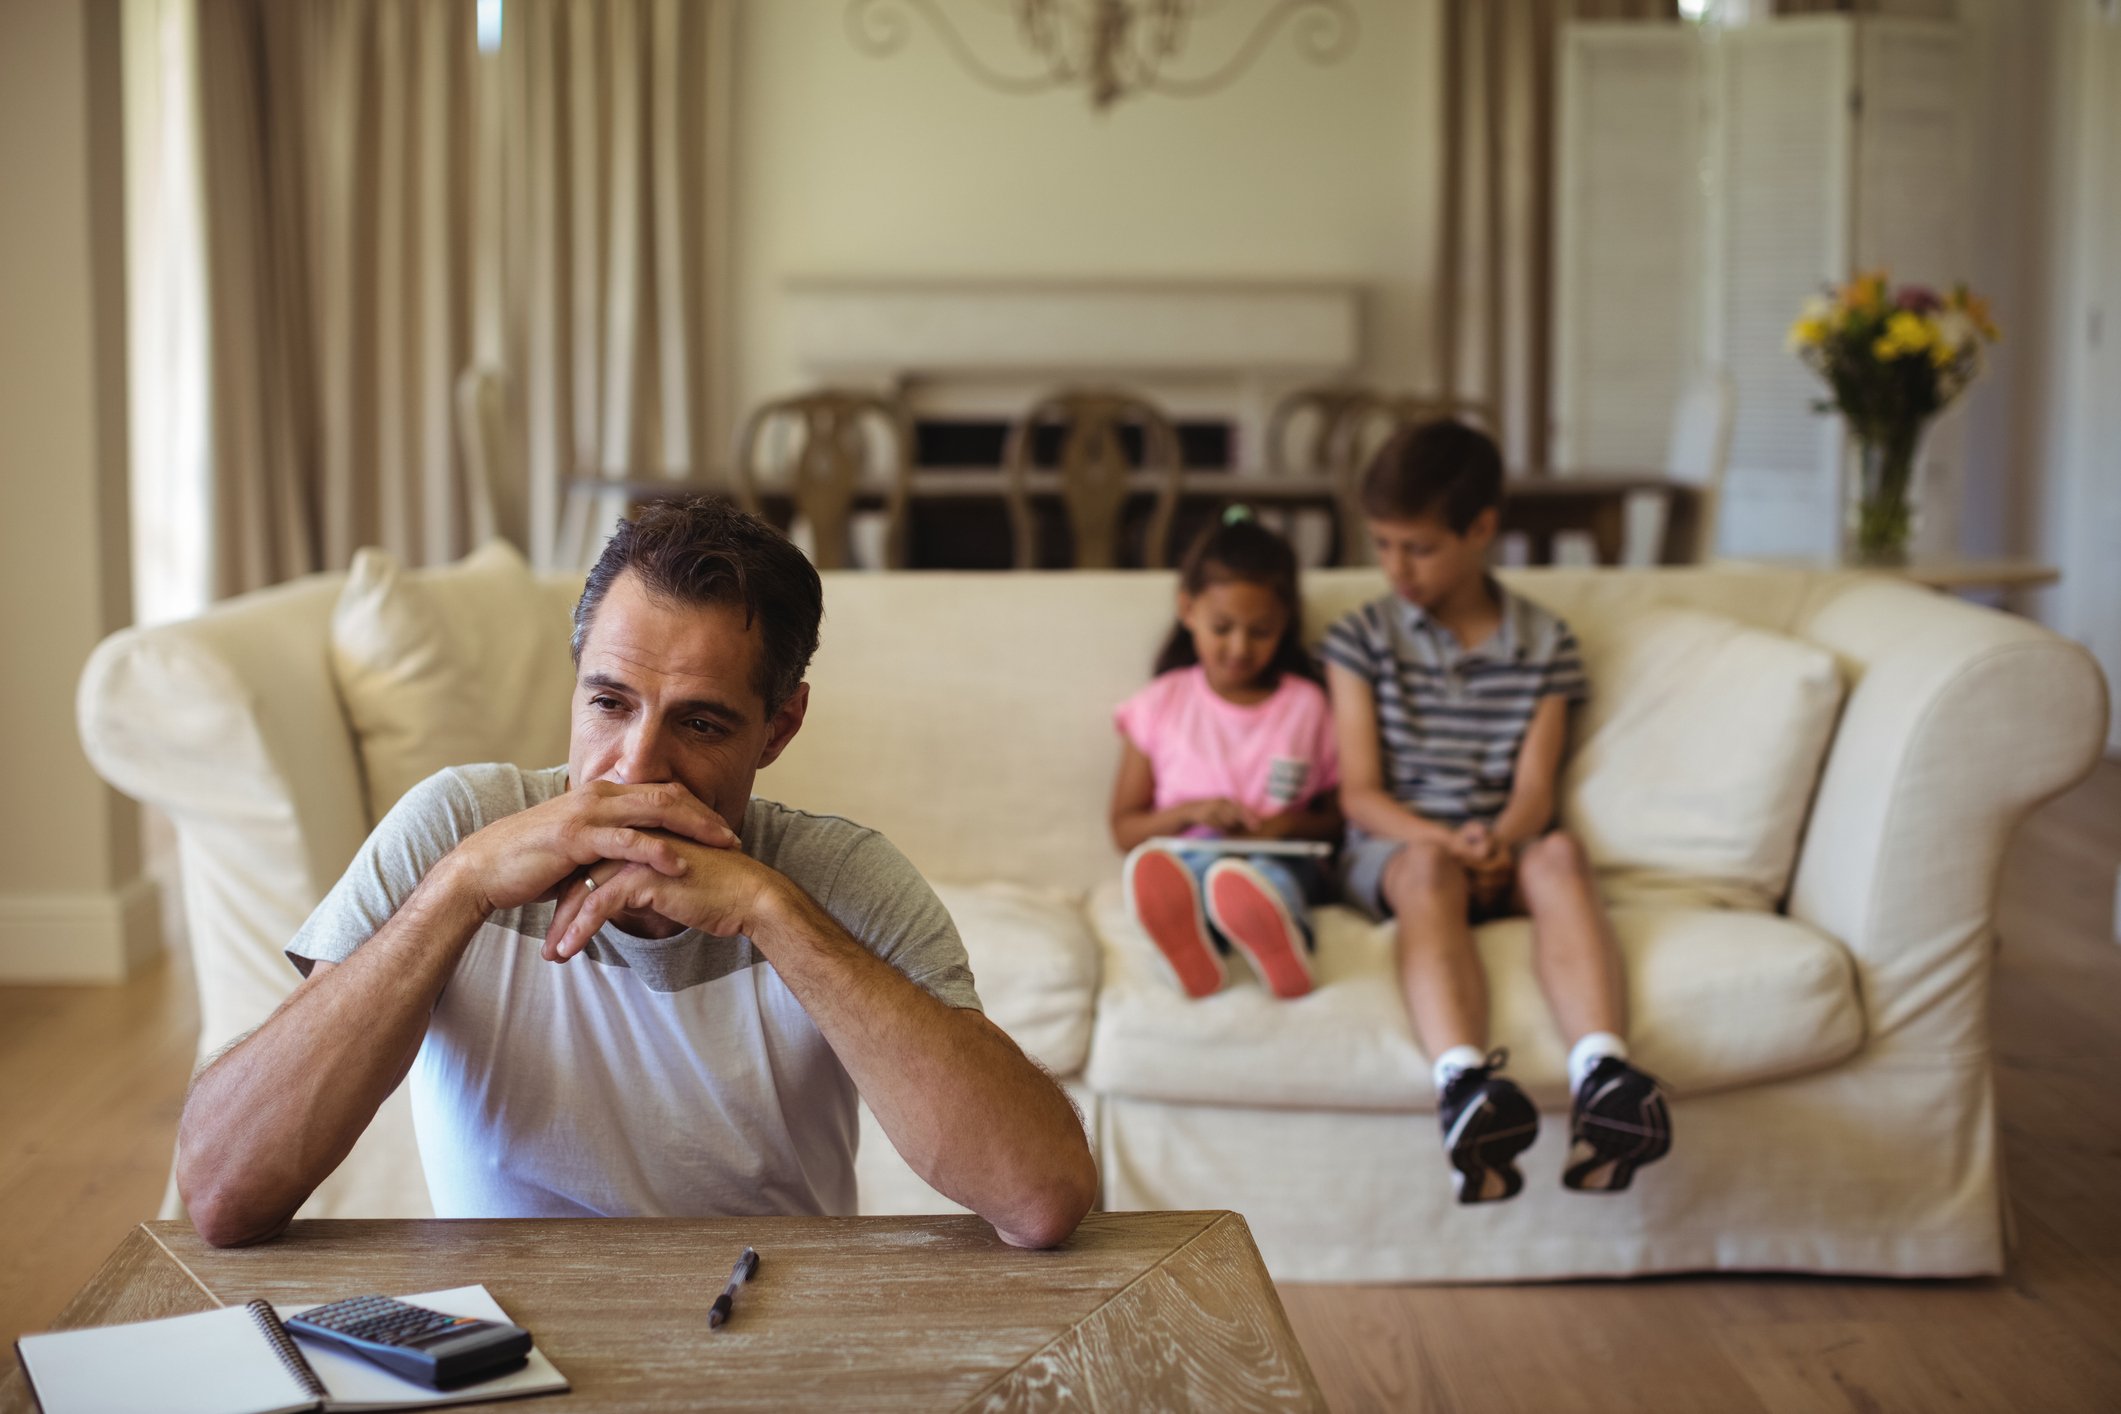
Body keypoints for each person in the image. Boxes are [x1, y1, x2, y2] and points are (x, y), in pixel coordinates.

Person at [176, 498, 1095, 1249]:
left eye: (699, 723)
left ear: (778, 728)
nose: (634, 766)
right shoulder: (457, 830)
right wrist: (459, 891)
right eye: (608, 703)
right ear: (575, 681)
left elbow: (1041, 1198)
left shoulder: (840, 876)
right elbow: (222, 1195)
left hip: (771, 1340)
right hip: (500, 1345)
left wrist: (773, 914)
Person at [1323, 421, 1671, 1203]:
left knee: (1559, 854)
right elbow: (1359, 794)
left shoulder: (1545, 644)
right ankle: (1463, 1088)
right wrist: (1445, 838)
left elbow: (1534, 794)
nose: (1395, 567)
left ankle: (1604, 1075)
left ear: (1480, 529)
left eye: (1417, 547)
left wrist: (1503, 840)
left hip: (1503, 841)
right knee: (1428, 869)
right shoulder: (1361, 640)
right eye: (1383, 544)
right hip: (1402, 846)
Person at [1108, 507, 1341, 1002]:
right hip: (1191, 850)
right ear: (1188, 609)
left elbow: (1339, 818)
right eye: (1222, 627)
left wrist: (1286, 826)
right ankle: (1190, 949)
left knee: (1268, 877)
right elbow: (1124, 829)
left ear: (1285, 624)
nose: (1240, 647)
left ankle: (1278, 935)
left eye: (1260, 631)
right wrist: (1191, 813)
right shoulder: (1161, 704)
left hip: (1279, 855)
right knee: (1187, 876)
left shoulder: (1307, 704)